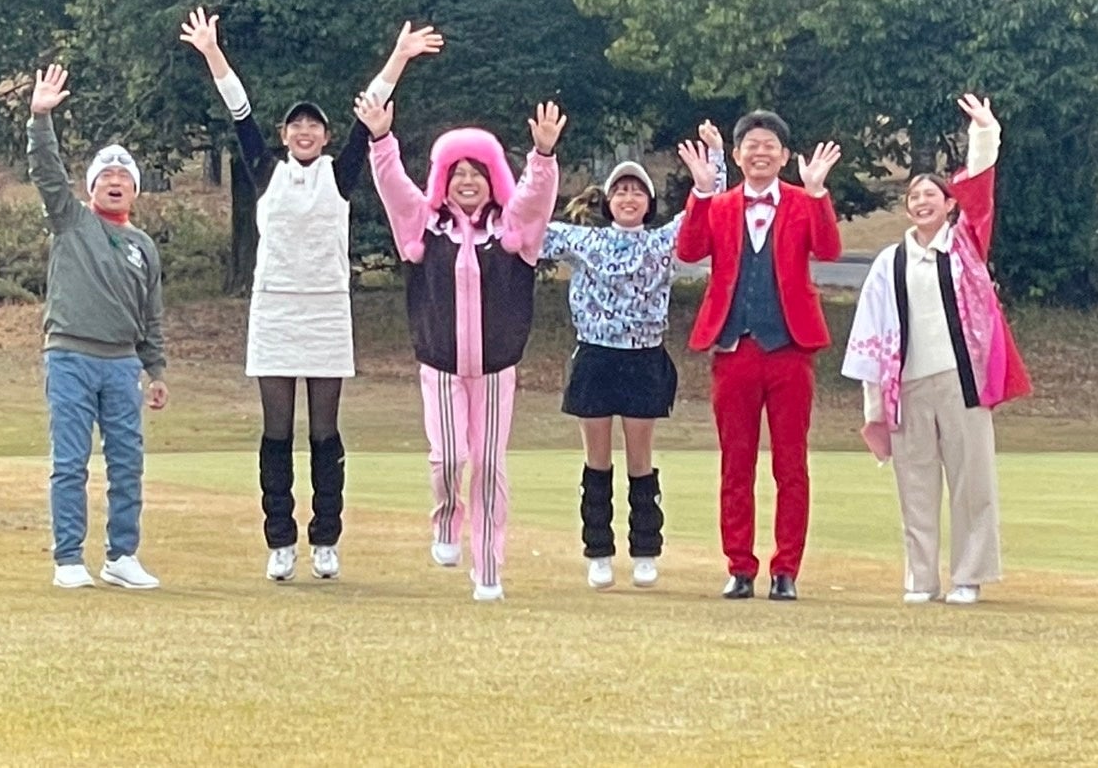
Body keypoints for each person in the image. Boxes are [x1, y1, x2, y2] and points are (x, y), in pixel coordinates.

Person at [180, 8, 442, 583]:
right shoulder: (266, 171)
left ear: (324, 137)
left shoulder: (339, 173)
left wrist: (398, 57)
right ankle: (280, 541)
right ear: (283, 136)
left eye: (314, 127)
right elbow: (238, 110)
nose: (305, 132)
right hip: (275, 309)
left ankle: (325, 539)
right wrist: (212, 52)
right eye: (296, 126)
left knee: (325, 430)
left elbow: (368, 114)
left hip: (326, 309)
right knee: (277, 430)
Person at [358, 92, 564, 601]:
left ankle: (488, 571)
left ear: (493, 177)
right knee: (449, 457)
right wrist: (382, 139)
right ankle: (446, 521)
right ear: (443, 179)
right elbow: (393, 187)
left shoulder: (512, 228)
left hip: (496, 370)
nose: (467, 181)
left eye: (477, 172)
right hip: (441, 367)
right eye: (457, 172)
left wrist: (542, 155)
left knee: (489, 465)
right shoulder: (423, 224)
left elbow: (536, 197)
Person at [841, 93, 1031, 605]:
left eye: (932, 195)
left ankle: (968, 576)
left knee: (972, 483)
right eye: (914, 197)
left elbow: (982, 191)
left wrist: (984, 133)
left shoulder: (965, 244)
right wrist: (875, 403)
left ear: (949, 204)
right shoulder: (889, 262)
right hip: (908, 386)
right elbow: (872, 331)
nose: (922, 202)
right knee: (915, 485)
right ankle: (920, 579)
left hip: (961, 382)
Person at [539, 124, 726, 590]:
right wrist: (540, 157)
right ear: (608, 201)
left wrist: (715, 161)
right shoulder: (585, 240)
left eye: (637, 191)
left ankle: (645, 550)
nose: (628, 198)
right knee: (597, 461)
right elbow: (527, 226)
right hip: (596, 357)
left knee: (640, 461)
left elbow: (708, 211)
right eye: (620, 191)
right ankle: (599, 552)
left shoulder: (662, 242)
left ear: (649, 202)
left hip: (643, 358)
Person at [675, 111, 842, 601]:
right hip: (734, 349)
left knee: (791, 465)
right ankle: (740, 567)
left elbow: (829, 249)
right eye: (752, 145)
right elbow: (689, 251)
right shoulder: (721, 204)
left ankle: (786, 568)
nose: (761, 152)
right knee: (736, 464)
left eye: (770, 145)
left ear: (785, 155)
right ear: (737, 154)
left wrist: (818, 193)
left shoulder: (801, 201)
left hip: (790, 348)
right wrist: (700, 191)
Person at [28, 63, 168, 590]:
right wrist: (40, 118)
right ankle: (68, 558)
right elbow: (46, 171)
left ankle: (121, 555)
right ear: (91, 187)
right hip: (69, 356)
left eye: (123, 178)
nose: (114, 182)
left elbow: (151, 315)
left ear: (134, 190)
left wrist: (156, 370)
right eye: (105, 176)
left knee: (127, 464)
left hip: (122, 364)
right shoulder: (71, 219)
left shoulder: (143, 246)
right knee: (70, 462)